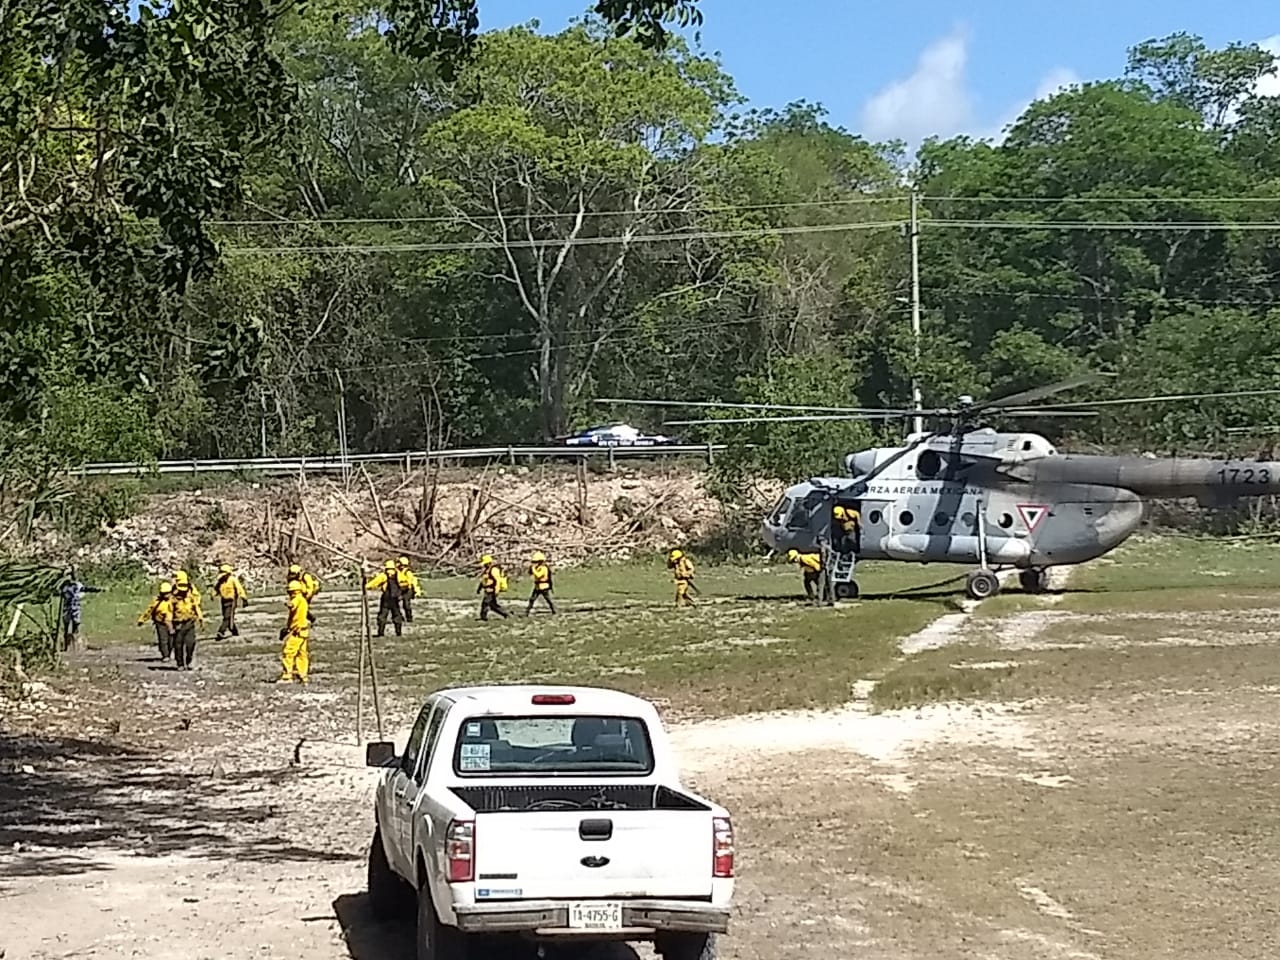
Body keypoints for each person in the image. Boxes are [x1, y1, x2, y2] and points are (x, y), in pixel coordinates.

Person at [57, 567, 104, 651]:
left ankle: (73, 645)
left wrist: (97, 589)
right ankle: (68, 646)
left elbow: (85, 589)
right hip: (69, 609)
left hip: (74, 608)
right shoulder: (65, 586)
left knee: (74, 626)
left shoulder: (73, 586)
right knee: (68, 627)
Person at [278, 578, 311, 684]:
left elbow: (293, 604)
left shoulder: (297, 599)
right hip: (303, 632)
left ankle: (287, 676)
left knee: (288, 652)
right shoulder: (303, 600)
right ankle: (302, 675)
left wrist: (287, 604)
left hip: (297, 632)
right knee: (302, 654)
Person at [170, 574, 204, 671]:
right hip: (178, 623)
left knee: (191, 643)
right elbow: (169, 610)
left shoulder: (191, 594)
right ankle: (180, 664)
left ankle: (189, 661)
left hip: (189, 622)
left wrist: (200, 618)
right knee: (178, 645)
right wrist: (170, 625)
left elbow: (196, 606)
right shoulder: (173, 596)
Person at [365, 559, 405, 637]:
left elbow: (373, 583)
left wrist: (366, 586)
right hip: (395, 598)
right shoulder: (398, 574)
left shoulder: (384, 575)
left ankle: (381, 632)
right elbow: (405, 582)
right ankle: (398, 632)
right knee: (397, 614)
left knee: (382, 615)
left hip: (386, 598)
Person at [137, 581, 176, 660]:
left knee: (171, 639)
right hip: (160, 623)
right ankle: (165, 655)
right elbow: (149, 611)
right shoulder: (157, 602)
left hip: (171, 622)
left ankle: (169, 652)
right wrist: (142, 619)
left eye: (168, 593)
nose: (166, 595)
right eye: (164, 593)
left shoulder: (174, 601)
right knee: (163, 639)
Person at [213, 563, 248, 641]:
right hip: (223, 601)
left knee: (227, 617)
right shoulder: (221, 581)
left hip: (232, 601)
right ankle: (234, 631)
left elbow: (239, 589)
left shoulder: (233, 580)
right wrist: (213, 595)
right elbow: (216, 589)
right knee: (227, 617)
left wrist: (244, 598)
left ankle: (221, 631)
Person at [477, 554, 509, 620]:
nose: (484, 565)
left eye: (485, 564)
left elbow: (498, 580)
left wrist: (497, 590)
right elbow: (484, 580)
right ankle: (506, 614)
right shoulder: (486, 570)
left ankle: (483, 618)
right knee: (493, 605)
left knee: (485, 603)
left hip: (492, 590)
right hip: (487, 590)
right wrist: (479, 588)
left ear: (489, 563)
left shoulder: (494, 570)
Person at [527, 550, 556, 615]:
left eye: (535, 562)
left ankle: (554, 610)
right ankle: (527, 612)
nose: (534, 563)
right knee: (532, 599)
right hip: (537, 586)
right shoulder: (537, 568)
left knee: (548, 599)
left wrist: (533, 569)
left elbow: (538, 575)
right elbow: (531, 574)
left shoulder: (543, 568)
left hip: (543, 586)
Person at [395, 556, 420, 623]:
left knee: (406, 605)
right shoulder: (396, 571)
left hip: (407, 590)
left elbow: (411, 582)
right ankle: (399, 616)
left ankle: (409, 618)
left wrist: (417, 591)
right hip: (399, 589)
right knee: (394, 603)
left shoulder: (408, 572)